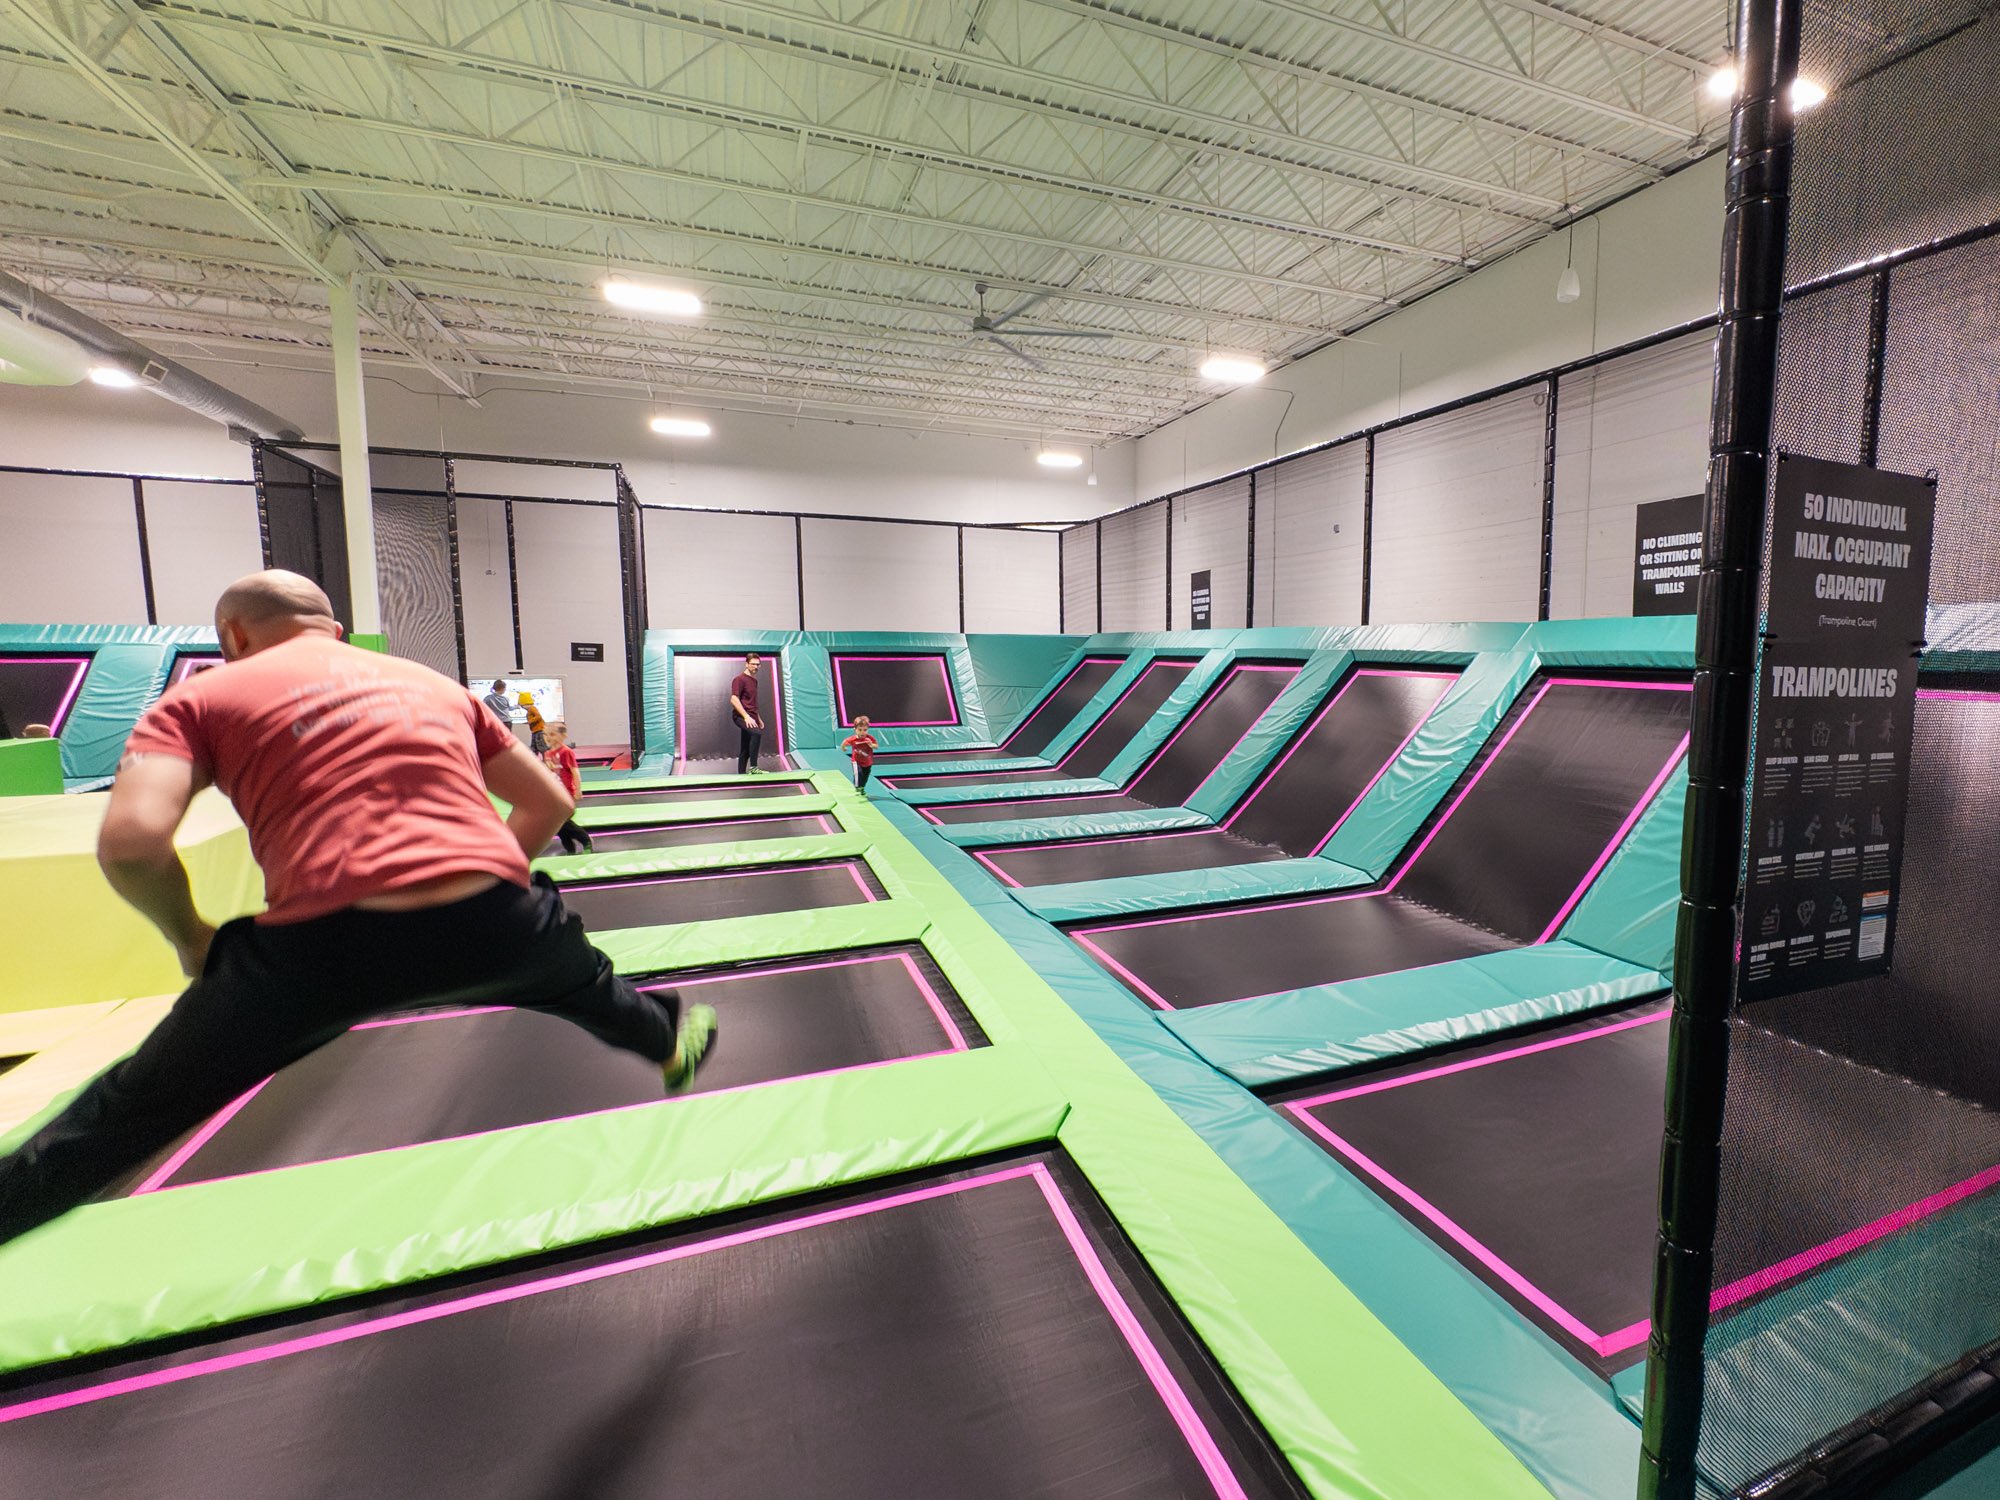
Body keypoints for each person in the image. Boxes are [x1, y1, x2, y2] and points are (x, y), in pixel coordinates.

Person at [0, 570, 716, 1247]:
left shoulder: (202, 699)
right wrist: (487, 883)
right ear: (336, 630)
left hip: (323, 948)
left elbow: (130, 845)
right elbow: (551, 802)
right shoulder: (433, 686)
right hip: (497, 924)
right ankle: (666, 1044)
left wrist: (194, 941)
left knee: (119, 1118)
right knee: (593, 989)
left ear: (233, 636)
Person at [543, 721, 595, 856]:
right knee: (558, 824)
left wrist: (578, 789)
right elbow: (549, 774)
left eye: (552, 734)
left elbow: (575, 771)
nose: (548, 738)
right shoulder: (547, 754)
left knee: (562, 821)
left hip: (566, 793)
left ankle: (585, 840)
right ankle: (569, 848)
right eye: (546, 735)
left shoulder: (566, 752)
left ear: (563, 735)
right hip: (555, 794)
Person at [729, 653, 765, 775]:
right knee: (756, 734)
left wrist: (758, 719)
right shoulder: (739, 679)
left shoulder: (754, 681)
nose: (755, 666)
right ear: (746, 664)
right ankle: (754, 767)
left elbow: (752, 702)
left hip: (752, 716)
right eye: (753, 664)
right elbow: (734, 699)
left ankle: (741, 775)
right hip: (741, 716)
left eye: (758, 664)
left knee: (745, 747)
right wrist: (746, 716)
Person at [841, 716, 877, 792]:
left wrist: (871, 745)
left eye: (865, 730)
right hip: (856, 761)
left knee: (865, 776)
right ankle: (857, 787)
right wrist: (843, 748)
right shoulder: (853, 739)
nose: (862, 732)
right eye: (860, 730)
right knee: (858, 773)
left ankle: (862, 787)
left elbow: (876, 746)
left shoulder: (869, 738)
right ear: (855, 730)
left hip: (868, 762)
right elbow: (844, 742)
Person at [518, 689, 548, 755]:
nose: (522, 707)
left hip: (539, 730)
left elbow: (538, 716)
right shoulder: (530, 710)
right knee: (534, 747)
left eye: (522, 706)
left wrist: (530, 721)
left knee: (541, 746)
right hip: (535, 730)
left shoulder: (532, 708)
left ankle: (545, 760)